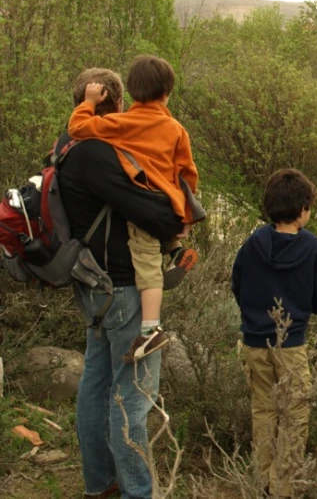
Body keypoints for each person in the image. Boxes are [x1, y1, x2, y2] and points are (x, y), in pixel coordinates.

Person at [59, 68, 186, 498]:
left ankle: (101, 484)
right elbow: (154, 214)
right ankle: (136, 491)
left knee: (96, 384)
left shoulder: (65, 145)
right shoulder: (97, 153)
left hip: (91, 283)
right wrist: (179, 217)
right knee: (132, 394)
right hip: (121, 287)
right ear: (116, 102)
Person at [68, 55, 203, 363]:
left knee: (146, 266)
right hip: (167, 202)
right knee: (155, 251)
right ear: (167, 92)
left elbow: (77, 127)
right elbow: (188, 173)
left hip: (142, 202)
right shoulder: (175, 128)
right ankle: (176, 250)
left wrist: (88, 102)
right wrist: (186, 212)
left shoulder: (123, 123)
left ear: (130, 91)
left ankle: (151, 328)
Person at [231, 169, 317, 498]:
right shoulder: (315, 248)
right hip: (290, 345)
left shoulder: (252, 244)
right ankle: (283, 488)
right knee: (294, 415)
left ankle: (263, 482)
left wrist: (252, 315)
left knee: (262, 409)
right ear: (304, 209)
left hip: (253, 341)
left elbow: (237, 284)